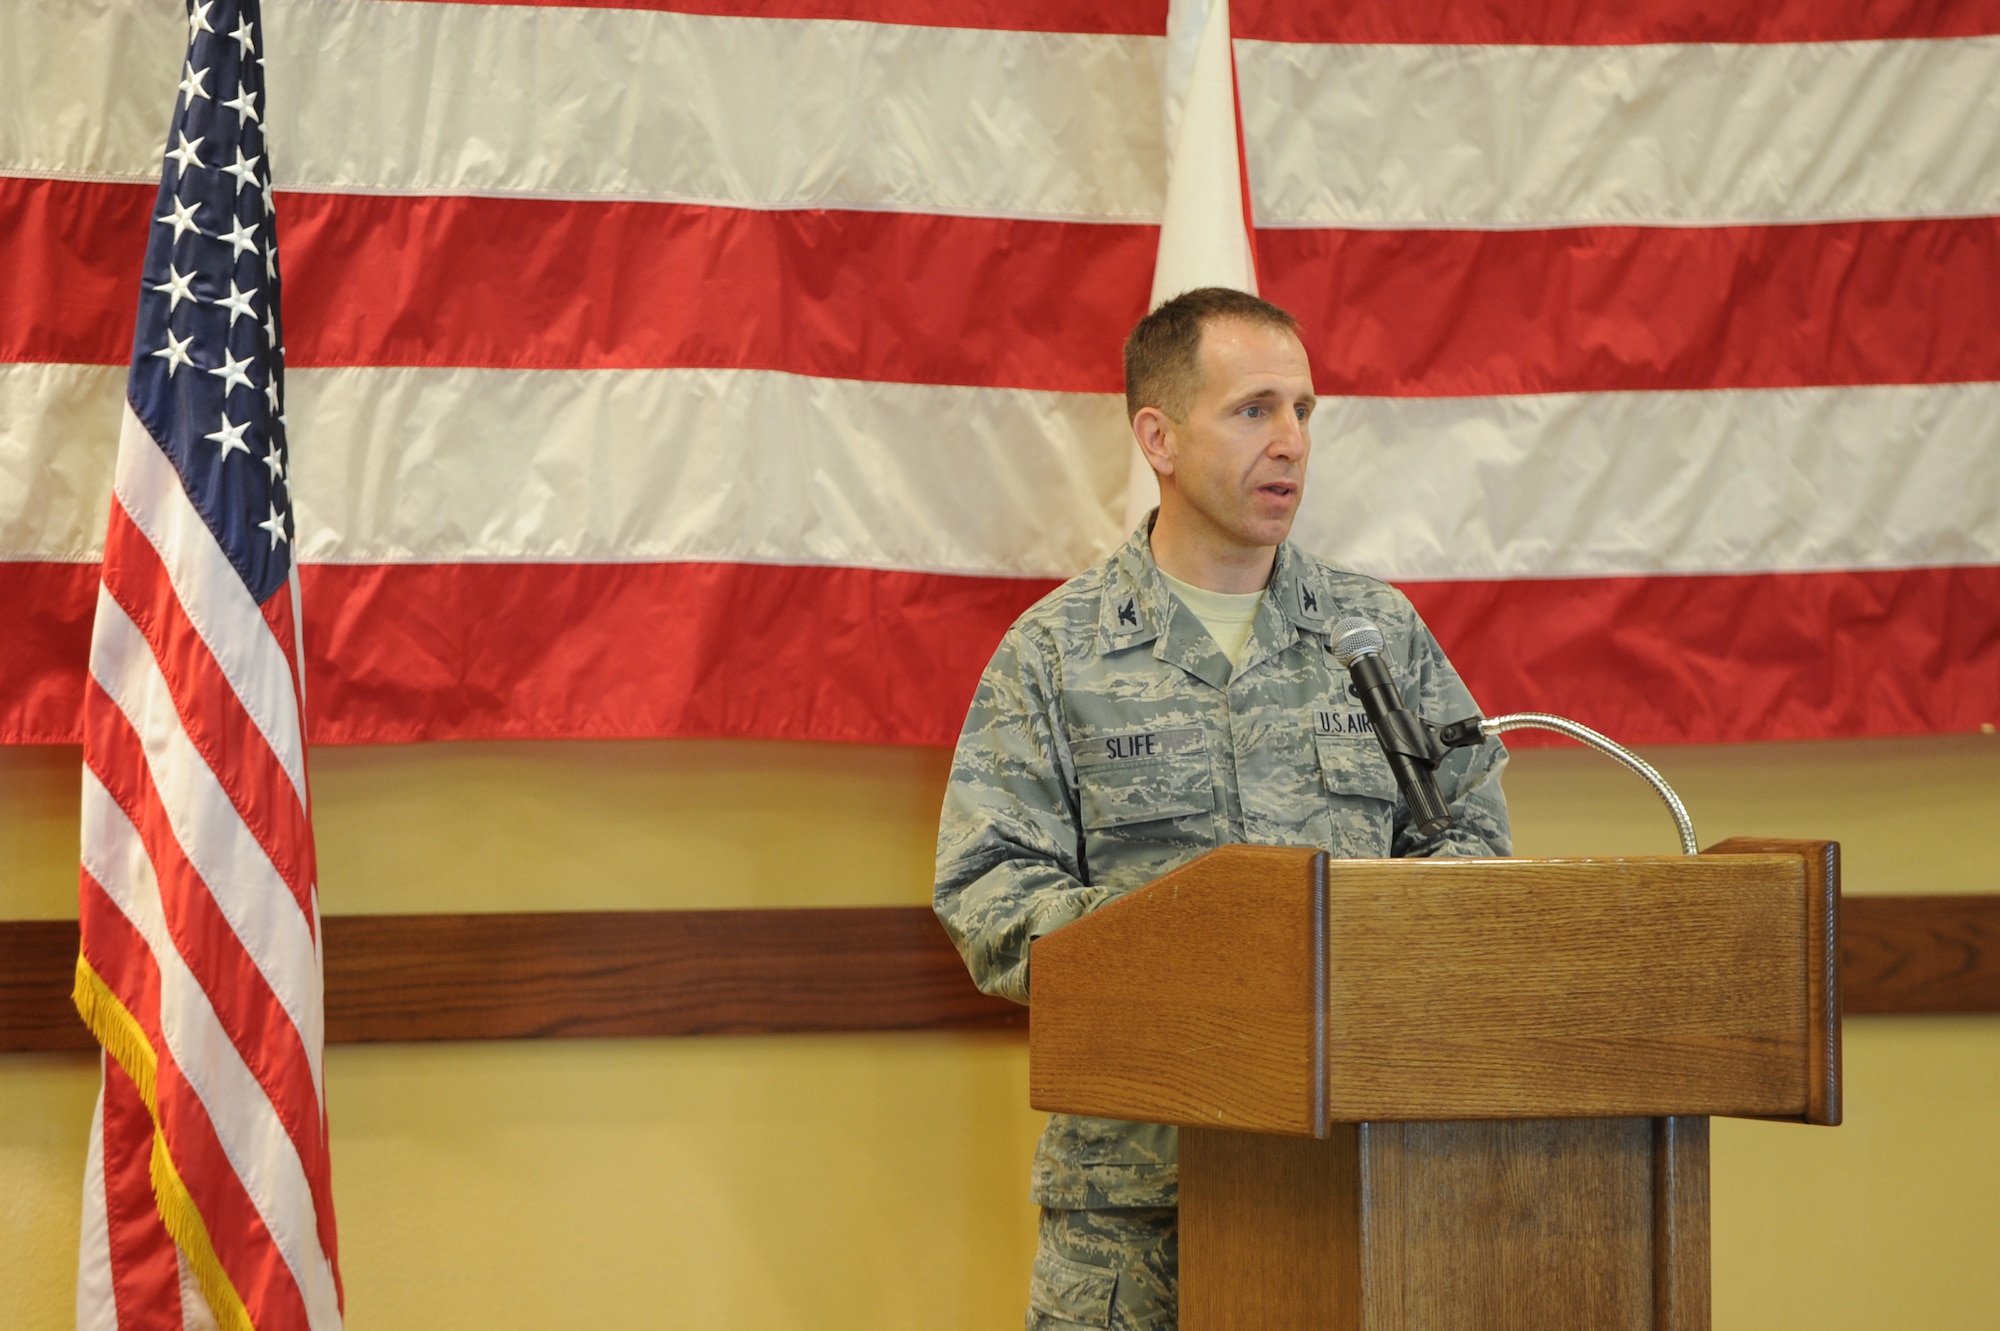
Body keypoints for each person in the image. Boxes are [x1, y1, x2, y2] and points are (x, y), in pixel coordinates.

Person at [933, 287, 1511, 1330]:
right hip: (1137, 1209)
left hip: (1363, 1178)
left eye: (1301, 410)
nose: (1289, 440)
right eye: (1252, 410)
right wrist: (1198, 954)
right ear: (1155, 435)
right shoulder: (1056, 651)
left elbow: (1466, 836)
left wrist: (1364, 947)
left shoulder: (1374, 632)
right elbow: (986, 890)